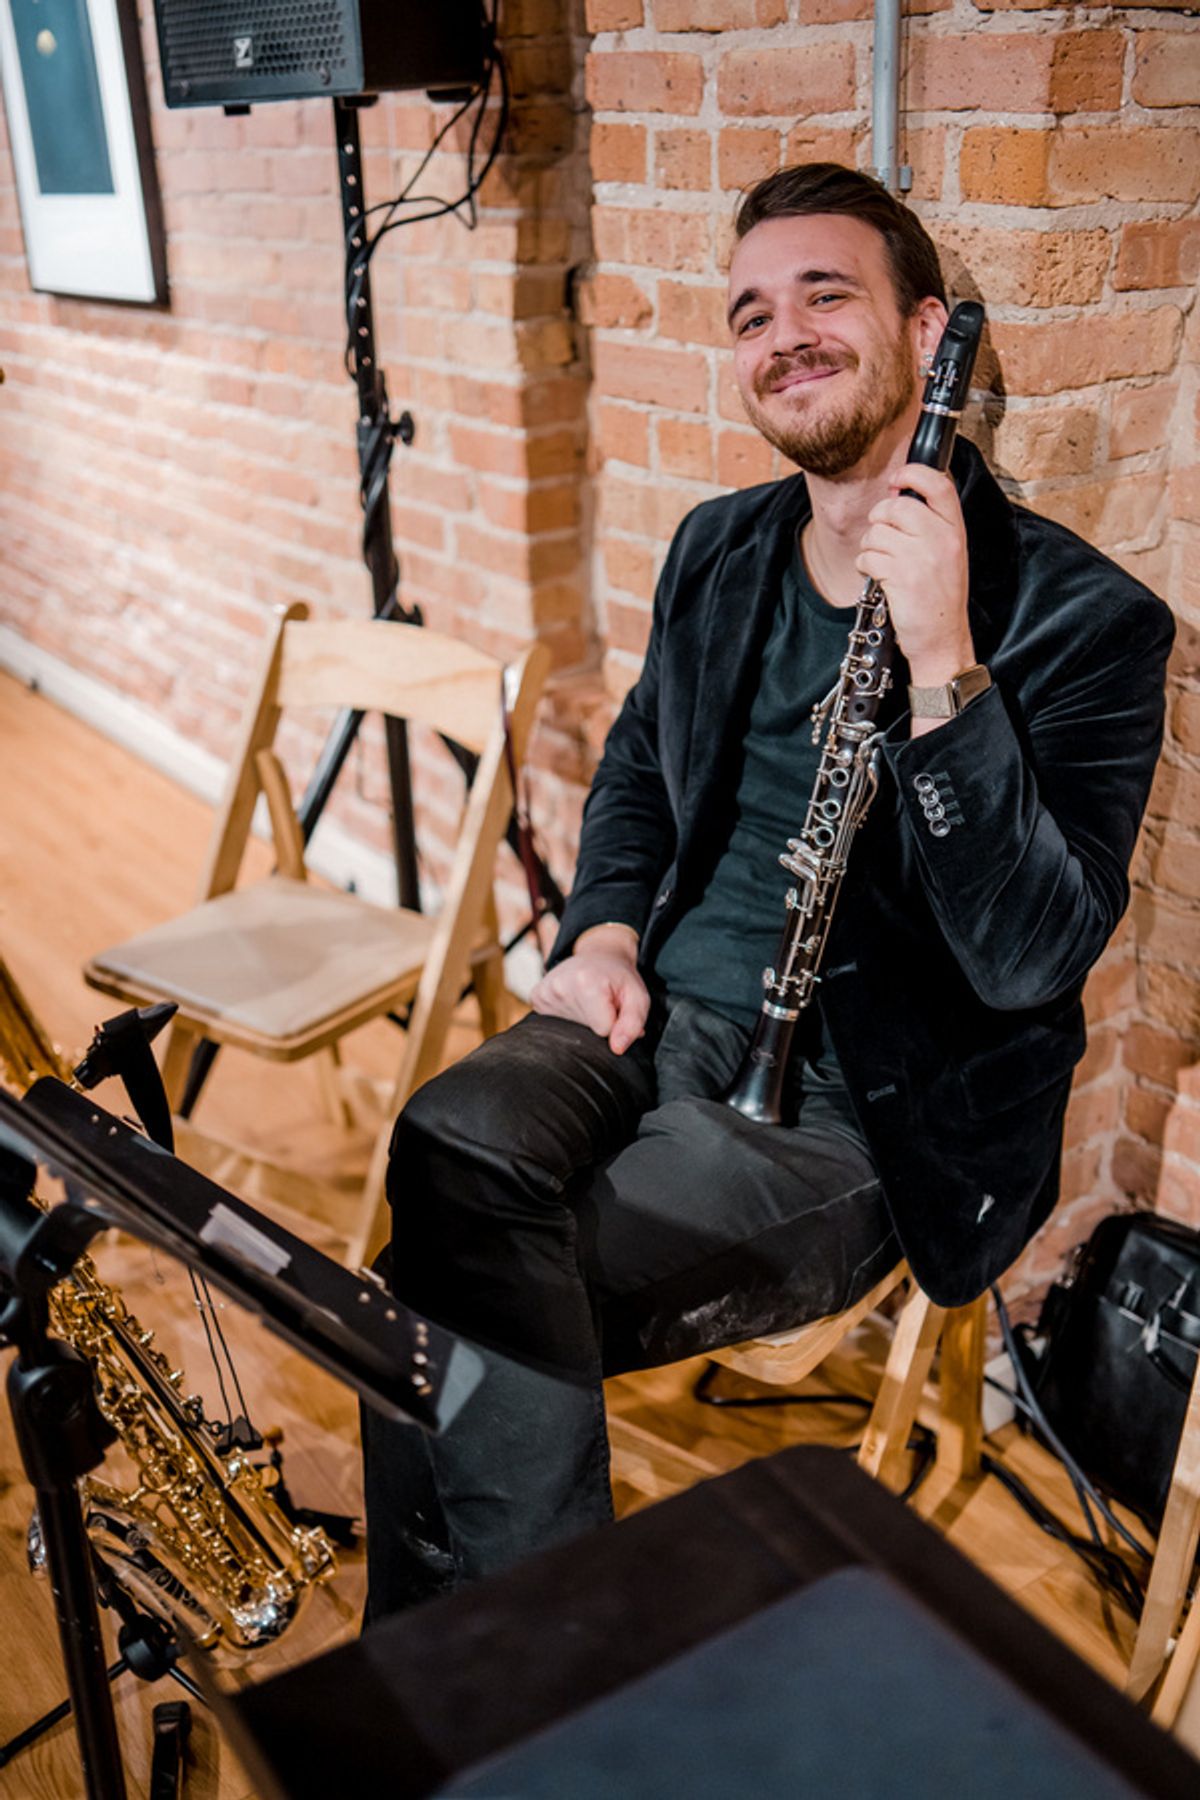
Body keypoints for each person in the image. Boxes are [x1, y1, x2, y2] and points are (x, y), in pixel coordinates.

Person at [361, 162, 1174, 1618]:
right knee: (445, 1146)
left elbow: (1028, 959)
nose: (782, 333)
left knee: (435, 1286)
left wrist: (943, 670)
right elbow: (636, 774)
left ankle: (480, 1678)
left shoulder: (1086, 620)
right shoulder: (718, 547)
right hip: (646, 1010)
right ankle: (497, 1677)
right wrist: (604, 929)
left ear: (928, 334)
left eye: (824, 296)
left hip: (858, 1113)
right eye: (750, 313)